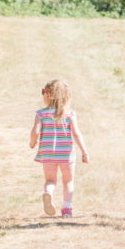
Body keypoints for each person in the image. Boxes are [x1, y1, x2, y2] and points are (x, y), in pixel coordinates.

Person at [30, 79, 89, 217]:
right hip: (66, 154)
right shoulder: (70, 114)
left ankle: (48, 193)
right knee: (68, 181)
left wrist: (32, 142)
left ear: (47, 95)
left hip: (47, 153)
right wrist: (84, 151)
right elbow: (76, 133)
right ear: (67, 97)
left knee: (50, 181)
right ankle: (67, 208)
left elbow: (35, 131)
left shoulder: (41, 114)